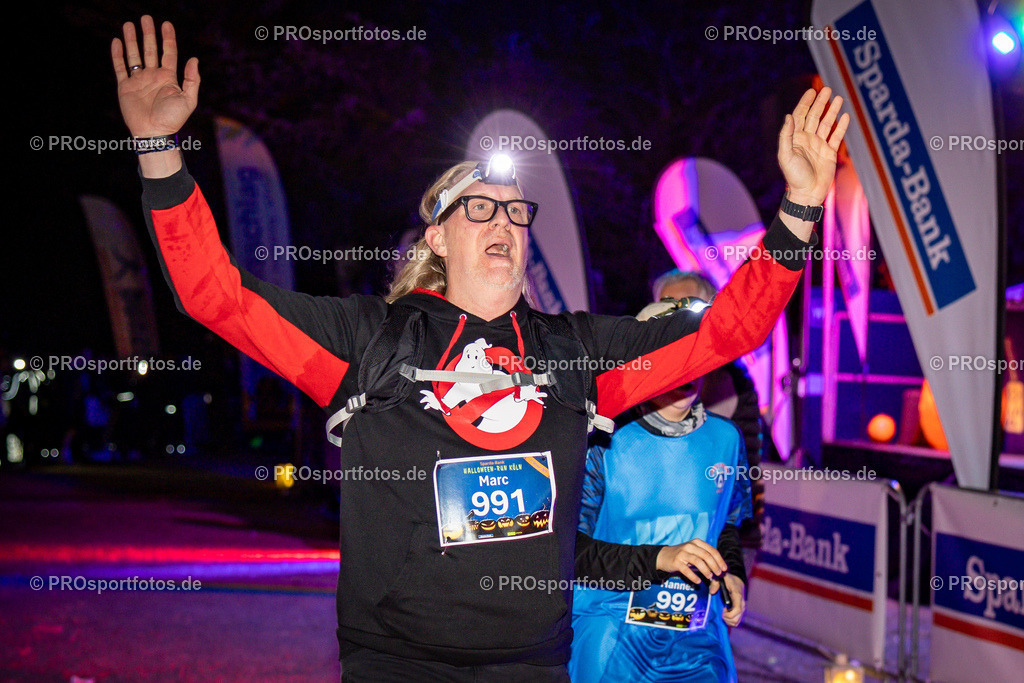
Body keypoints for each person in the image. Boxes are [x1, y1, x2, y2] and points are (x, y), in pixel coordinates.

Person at [110, 15, 849, 680]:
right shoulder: (369, 339)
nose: (503, 219)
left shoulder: (572, 353)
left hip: (528, 662)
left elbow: (728, 330)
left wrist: (800, 207)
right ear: (436, 235)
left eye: (514, 211)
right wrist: (158, 153)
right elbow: (215, 294)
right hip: (396, 661)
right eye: (478, 207)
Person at [570, 298, 751, 683]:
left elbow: (728, 526)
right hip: (613, 635)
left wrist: (734, 572)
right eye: (671, 358)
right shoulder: (603, 437)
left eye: (693, 356)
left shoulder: (726, 438)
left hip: (698, 642)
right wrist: (660, 559)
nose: (683, 371)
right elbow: (571, 551)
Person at [653, 270, 768, 566]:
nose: (677, 318)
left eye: (688, 306)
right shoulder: (640, 371)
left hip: (723, 536)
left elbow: (732, 471)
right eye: (666, 307)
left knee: (719, 612)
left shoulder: (729, 378)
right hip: (657, 538)